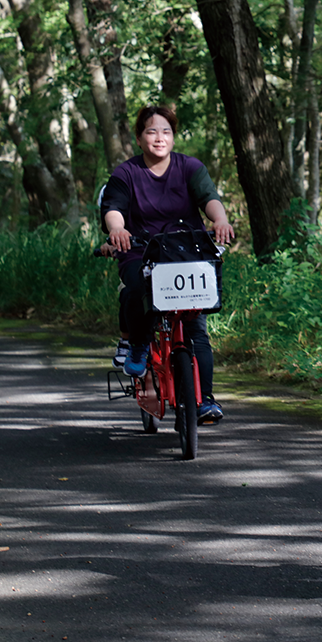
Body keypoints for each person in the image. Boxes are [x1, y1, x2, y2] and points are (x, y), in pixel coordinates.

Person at [100, 105, 235, 423]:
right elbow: (114, 207)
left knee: (196, 329)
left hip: (186, 252)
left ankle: (205, 400)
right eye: (151, 131)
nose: (159, 138)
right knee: (135, 288)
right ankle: (138, 344)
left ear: (173, 136)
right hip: (141, 251)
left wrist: (221, 220)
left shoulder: (190, 168)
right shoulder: (126, 173)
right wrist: (117, 229)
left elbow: (209, 198)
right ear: (138, 136)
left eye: (166, 131)